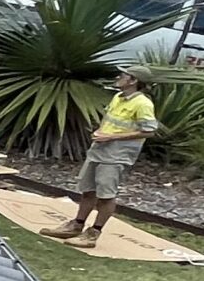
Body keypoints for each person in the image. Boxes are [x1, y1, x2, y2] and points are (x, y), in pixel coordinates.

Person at [47, 68, 158, 246]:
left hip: (117, 155)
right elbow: (109, 120)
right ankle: (76, 225)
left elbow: (149, 131)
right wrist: (100, 131)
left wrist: (111, 137)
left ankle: (94, 233)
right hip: (99, 149)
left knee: (106, 194)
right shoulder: (118, 97)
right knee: (88, 189)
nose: (118, 77)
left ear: (133, 81)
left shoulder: (143, 103)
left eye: (123, 76)